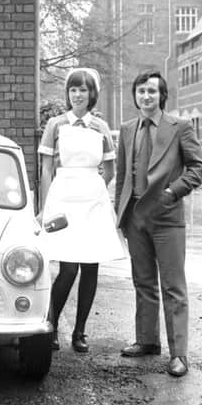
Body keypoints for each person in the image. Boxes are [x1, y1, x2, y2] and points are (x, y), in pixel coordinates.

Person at [114, 70, 202, 377]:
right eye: (141, 91)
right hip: (135, 217)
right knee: (143, 282)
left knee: (173, 286)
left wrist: (171, 192)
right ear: (135, 95)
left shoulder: (180, 127)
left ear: (161, 95)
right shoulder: (128, 129)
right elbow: (123, 176)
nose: (146, 96)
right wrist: (120, 216)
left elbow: (199, 169)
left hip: (167, 217)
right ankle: (147, 340)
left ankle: (179, 354)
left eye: (152, 91)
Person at [38, 68, 125, 353]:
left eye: (83, 90)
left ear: (92, 94)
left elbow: (111, 170)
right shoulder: (55, 124)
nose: (78, 95)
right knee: (67, 268)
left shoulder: (100, 127)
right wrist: (46, 206)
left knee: (90, 266)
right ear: (68, 94)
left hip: (92, 201)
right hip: (63, 199)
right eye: (73, 89)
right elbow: (47, 169)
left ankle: (80, 331)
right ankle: (49, 326)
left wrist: (94, 188)